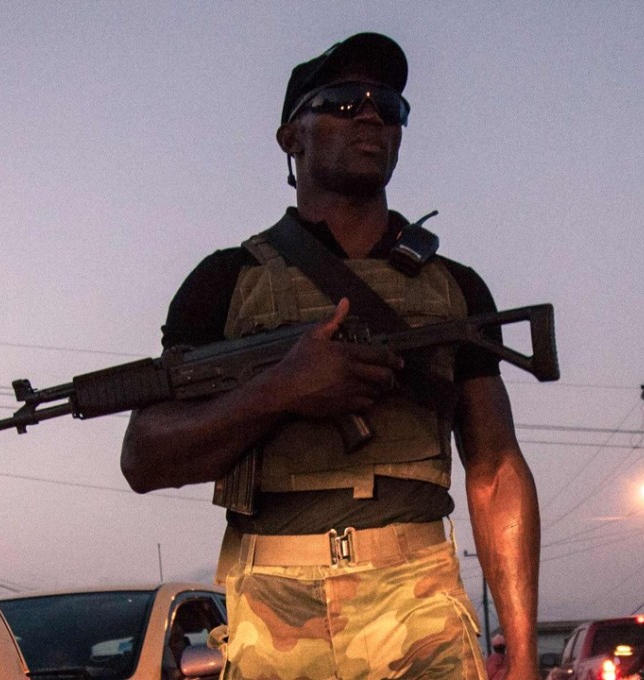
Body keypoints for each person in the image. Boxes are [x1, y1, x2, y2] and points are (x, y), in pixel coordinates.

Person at [121, 32, 540, 680]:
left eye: (389, 106)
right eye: (343, 102)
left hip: (417, 601)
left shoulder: (454, 286)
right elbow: (145, 457)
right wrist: (279, 390)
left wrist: (522, 651)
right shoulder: (226, 281)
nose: (370, 114)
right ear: (292, 137)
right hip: (271, 608)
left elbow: (494, 469)